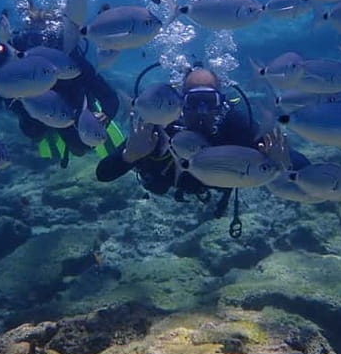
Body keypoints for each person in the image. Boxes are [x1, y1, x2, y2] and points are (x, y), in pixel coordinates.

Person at [96, 64, 309, 234]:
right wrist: (130, 155)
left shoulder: (235, 126)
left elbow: (304, 166)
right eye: (194, 101)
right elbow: (103, 174)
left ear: (222, 102)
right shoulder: (159, 127)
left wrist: (283, 162)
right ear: (180, 102)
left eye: (209, 101)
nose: (202, 110)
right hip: (163, 192)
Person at [0, 10, 123, 167]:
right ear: (24, 33)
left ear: (57, 37)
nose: (39, 42)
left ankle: (81, 119)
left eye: (44, 37)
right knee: (34, 133)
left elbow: (109, 96)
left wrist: (105, 115)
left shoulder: (69, 58)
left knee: (80, 147)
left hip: (70, 112)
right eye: (32, 36)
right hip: (32, 114)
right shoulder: (11, 49)